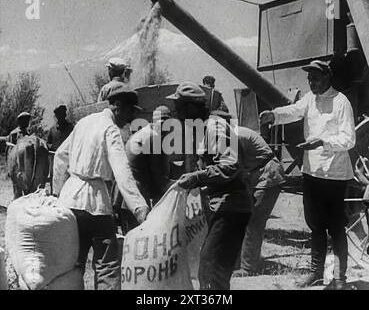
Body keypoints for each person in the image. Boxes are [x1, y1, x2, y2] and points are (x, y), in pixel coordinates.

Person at [260, 60, 356, 290]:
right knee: (315, 224)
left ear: (327, 78)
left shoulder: (342, 102)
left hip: (334, 175)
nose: (311, 82)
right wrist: (273, 115)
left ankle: (340, 278)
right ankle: (316, 273)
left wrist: (322, 142)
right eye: (309, 79)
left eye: (315, 78)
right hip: (311, 172)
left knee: (335, 226)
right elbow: (294, 111)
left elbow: (349, 139)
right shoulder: (310, 99)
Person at [53, 83, 150, 290]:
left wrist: (58, 192)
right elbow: (122, 172)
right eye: (129, 110)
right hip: (96, 203)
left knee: (73, 262)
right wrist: (139, 207)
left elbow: (60, 156)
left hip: (70, 202)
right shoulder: (111, 129)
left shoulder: (84, 122)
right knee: (107, 265)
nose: (130, 116)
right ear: (116, 106)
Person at [168, 81, 253, 290]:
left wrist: (196, 177)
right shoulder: (201, 129)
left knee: (213, 269)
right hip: (220, 206)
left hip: (231, 207)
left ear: (190, 108)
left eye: (177, 106)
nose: (175, 111)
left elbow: (230, 166)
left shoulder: (214, 127)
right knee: (208, 269)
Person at [208, 109, 286, 277]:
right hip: (257, 176)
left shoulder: (236, 137)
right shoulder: (231, 136)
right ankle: (238, 261)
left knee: (253, 221)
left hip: (268, 176)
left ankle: (248, 267)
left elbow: (233, 170)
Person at [112, 105, 174, 234]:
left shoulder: (143, 134)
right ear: (155, 121)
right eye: (163, 123)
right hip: (135, 201)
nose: (165, 129)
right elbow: (158, 180)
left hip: (124, 198)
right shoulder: (153, 138)